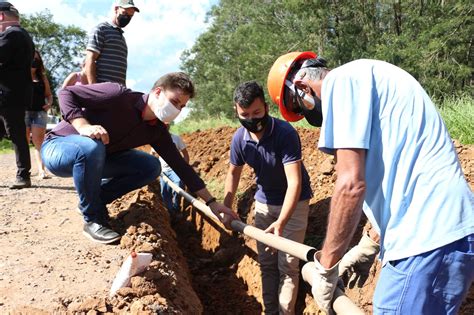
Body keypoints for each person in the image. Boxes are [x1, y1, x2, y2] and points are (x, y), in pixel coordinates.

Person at [267, 52, 474, 314]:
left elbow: (350, 185)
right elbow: (398, 177)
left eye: (299, 107)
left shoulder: (341, 83)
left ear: (302, 89)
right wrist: (368, 245)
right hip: (452, 233)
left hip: (423, 241)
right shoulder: (370, 78)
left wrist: (326, 266)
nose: (306, 115)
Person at [41, 72, 239, 244]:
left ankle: (94, 201)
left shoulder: (156, 130)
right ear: (158, 92)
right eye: (175, 101)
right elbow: (66, 93)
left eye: (182, 106)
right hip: (59, 147)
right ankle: (93, 220)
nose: (177, 109)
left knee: (151, 167)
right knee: (92, 146)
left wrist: (212, 203)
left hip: (98, 157)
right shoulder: (117, 95)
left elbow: (180, 166)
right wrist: (83, 126)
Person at [224, 81, 313, 314]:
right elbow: (233, 173)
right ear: (236, 111)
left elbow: (295, 182)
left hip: (294, 205)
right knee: (267, 265)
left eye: (257, 112)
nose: (252, 119)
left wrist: (282, 222)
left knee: (288, 266)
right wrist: (226, 206)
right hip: (263, 204)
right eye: (245, 114)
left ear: (265, 106)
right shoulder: (239, 139)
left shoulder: (284, 133)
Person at [0, 2, 34, 189]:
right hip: (15, 94)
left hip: (9, 95)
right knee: (16, 133)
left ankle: (23, 175)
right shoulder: (24, 35)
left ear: (1, 17)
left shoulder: (11, 34)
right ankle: (23, 174)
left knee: (17, 134)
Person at [84, 0, 139, 85]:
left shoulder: (122, 38)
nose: (127, 18)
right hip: (102, 88)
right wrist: (93, 88)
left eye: (130, 16)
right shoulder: (101, 29)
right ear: (116, 9)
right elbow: (90, 58)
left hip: (118, 91)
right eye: (124, 13)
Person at [27, 50, 53, 179]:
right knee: (23, 141)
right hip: (23, 111)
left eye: (37, 59)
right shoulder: (20, 75)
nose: (34, 61)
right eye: (32, 58)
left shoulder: (42, 77)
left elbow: (49, 95)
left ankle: (42, 170)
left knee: (39, 142)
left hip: (39, 112)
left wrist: (49, 104)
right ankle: (24, 170)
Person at [157, 123, 189, 221]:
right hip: (163, 171)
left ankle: (176, 208)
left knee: (179, 184)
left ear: (169, 127)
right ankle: (170, 212)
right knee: (164, 193)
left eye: (166, 126)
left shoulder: (176, 138)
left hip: (175, 169)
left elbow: (185, 153)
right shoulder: (156, 140)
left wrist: (185, 167)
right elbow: (153, 155)